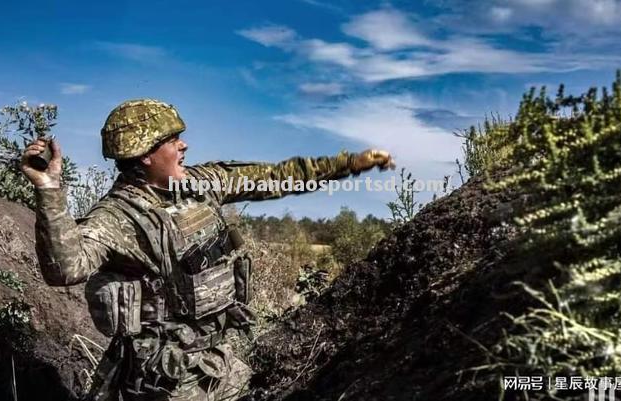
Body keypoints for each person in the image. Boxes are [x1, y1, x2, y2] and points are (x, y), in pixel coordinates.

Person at [21, 99, 394, 401]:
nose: (184, 145)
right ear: (146, 154)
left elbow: (275, 177)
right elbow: (65, 269)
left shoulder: (201, 183)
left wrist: (349, 163)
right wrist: (48, 190)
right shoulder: (118, 216)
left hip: (225, 357)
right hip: (167, 380)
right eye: (172, 140)